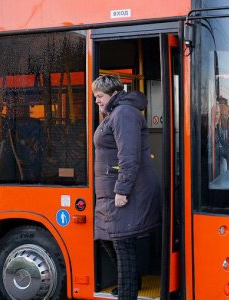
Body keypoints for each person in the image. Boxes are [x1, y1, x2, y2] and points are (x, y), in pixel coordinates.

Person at [92, 75, 161, 299]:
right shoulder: (117, 113)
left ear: (112, 93)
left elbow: (129, 156)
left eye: (99, 96)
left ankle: (128, 292)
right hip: (111, 191)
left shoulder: (123, 114)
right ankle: (130, 283)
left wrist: (122, 190)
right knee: (108, 238)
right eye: (95, 97)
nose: (97, 101)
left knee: (122, 243)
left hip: (123, 191)